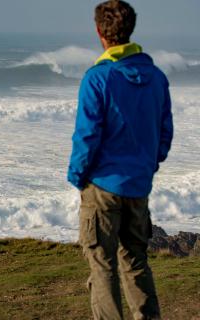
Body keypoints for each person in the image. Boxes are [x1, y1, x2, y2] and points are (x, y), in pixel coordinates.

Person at [67, 1, 173, 319]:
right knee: (136, 261)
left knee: (102, 264)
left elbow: (87, 136)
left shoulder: (98, 78)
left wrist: (77, 176)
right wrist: (146, 166)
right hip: (137, 185)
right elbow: (164, 133)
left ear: (99, 32)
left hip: (102, 184)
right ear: (130, 29)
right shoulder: (155, 77)